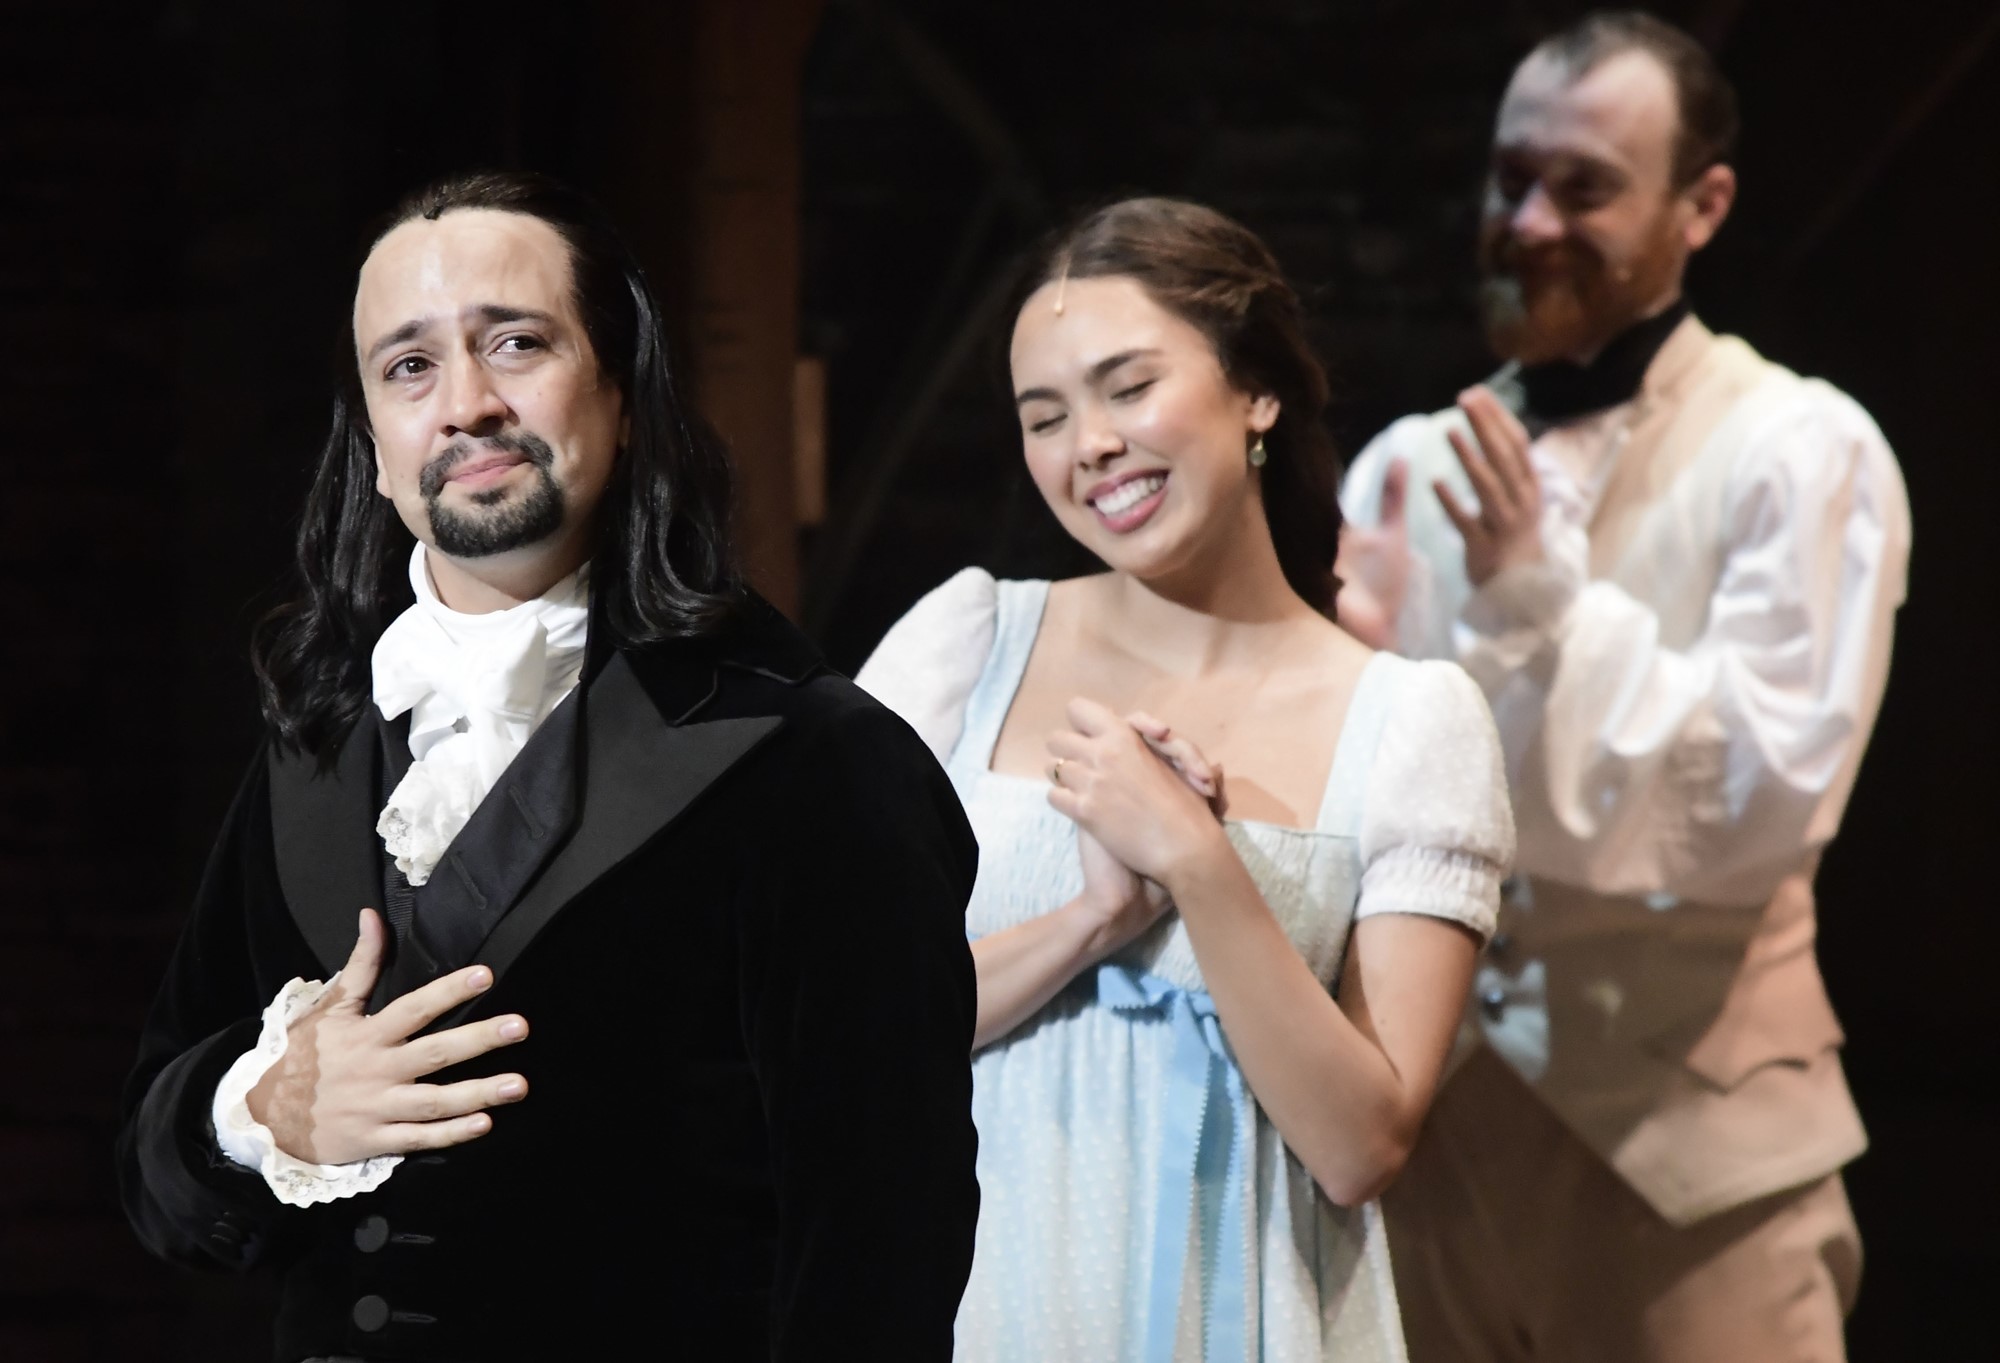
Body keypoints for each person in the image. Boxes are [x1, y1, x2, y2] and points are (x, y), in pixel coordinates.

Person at [115, 171, 981, 1362]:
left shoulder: (814, 760)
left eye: (514, 343)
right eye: (408, 368)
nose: (465, 403)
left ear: (623, 396)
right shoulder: (314, 748)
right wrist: (259, 1111)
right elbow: (156, 1173)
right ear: (372, 448)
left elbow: (881, 1253)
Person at [1337, 13, 1911, 1361]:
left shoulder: (1800, 447)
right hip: (1430, 1150)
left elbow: (1763, 801)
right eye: (1509, 178)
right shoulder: (1407, 467)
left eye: (1584, 185)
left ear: (1701, 204)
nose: (1530, 219)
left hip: (1691, 1162)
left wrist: (1542, 601)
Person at [857, 196, 1514, 1362]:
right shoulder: (962, 647)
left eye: (1126, 387)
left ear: (1254, 390)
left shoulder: (1410, 721)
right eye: (1044, 415)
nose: (1089, 443)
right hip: (967, 1309)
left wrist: (1196, 863)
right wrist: (1089, 919)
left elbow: (1360, 1144)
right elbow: (840, 1035)